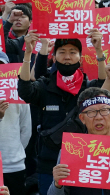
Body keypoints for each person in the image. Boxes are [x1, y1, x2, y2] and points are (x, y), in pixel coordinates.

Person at [19, 29, 107, 193]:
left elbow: (104, 83)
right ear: (54, 57)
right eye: (62, 52)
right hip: (49, 163)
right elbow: (25, 91)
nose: (67, 57)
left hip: (84, 159)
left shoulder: (87, 88)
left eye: (73, 52)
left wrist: (99, 50)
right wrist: (28, 54)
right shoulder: (44, 85)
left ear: (80, 59)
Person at [0, 51, 32, 195]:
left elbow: (26, 130)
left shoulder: (19, 94)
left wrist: (15, 152)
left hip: (14, 165)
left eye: (2, 67)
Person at [49, 87, 110, 194]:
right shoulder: (71, 150)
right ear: (82, 119)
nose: (99, 117)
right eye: (91, 112)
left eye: (104, 110)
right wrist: (57, 184)